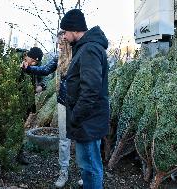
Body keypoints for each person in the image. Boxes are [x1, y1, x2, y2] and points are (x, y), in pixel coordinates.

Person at [22, 31, 83, 188]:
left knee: (82, 138)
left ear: (68, 42)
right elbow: (44, 70)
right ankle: (64, 171)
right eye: (58, 43)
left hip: (79, 104)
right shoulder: (58, 58)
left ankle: (84, 172)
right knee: (64, 139)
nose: (59, 46)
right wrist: (28, 68)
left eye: (61, 43)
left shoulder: (80, 56)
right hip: (63, 102)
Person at [60, 9, 109, 189]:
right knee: (88, 165)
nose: (64, 36)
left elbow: (91, 90)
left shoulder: (89, 49)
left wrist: (76, 117)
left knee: (90, 167)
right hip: (87, 121)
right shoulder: (85, 47)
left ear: (74, 30)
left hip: (88, 122)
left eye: (65, 32)